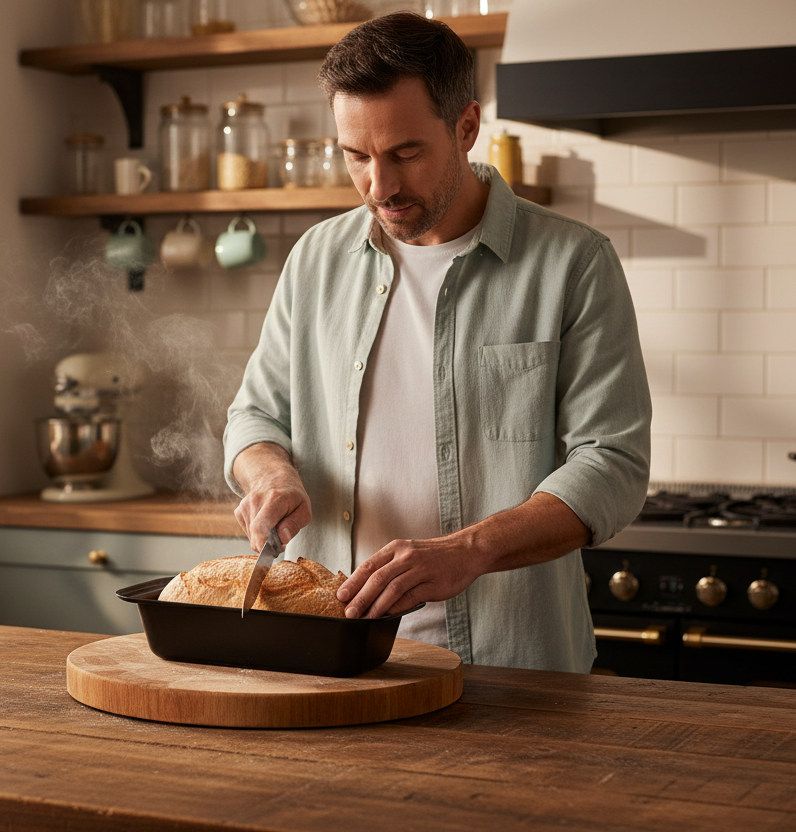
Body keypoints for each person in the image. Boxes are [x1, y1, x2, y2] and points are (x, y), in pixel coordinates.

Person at [222, 12, 651, 672]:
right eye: (356, 157)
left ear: (467, 127)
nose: (379, 186)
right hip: (338, 656)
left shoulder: (573, 263)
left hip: (514, 670)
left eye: (405, 153)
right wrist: (271, 473)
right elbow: (255, 416)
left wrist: (470, 549)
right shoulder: (316, 260)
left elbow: (613, 463)